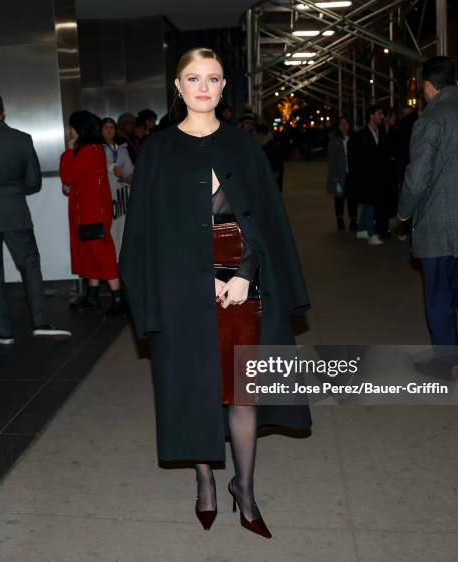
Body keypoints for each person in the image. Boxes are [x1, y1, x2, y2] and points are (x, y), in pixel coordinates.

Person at [120, 47, 311, 539]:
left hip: (245, 285)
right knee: (196, 391)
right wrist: (199, 279)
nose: (203, 87)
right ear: (178, 87)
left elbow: (266, 219)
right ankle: (206, 481)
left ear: (225, 87)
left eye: (213, 78)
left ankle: (243, 488)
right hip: (182, 289)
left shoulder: (244, 146)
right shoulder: (158, 150)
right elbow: (149, 234)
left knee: (241, 392)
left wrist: (246, 272)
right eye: (193, 78)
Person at [0, 91, 71, 344]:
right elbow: (33, 182)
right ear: (3, 111)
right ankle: (40, 321)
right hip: (16, 213)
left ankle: (4, 331)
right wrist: (11, 190)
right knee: (30, 266)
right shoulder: (22, 139)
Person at [398, 56, 458, 377]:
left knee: (438, 292)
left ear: (429, 86)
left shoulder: (432, 118)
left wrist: (404, 210)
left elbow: (418, 175)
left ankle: (447, 363)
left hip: (439, 225)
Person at [59, 111, 124, 318]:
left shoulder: (87, 150)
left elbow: (68, 176)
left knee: (101, 255)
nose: (70, 130)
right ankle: (92, 295)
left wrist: (69, 152)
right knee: (91, 253)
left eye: (72, 126)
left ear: (79, 128)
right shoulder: (94, 149)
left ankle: (118, 300)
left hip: (91, 213)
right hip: (91, 211)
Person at [346, 105, 387, 246]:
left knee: (371, 203)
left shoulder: (381, 133)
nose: (382, 116)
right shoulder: (360, 136)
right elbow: (354, 158)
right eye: (379, 114)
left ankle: (362, 229)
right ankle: (371, 233)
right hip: (365, 177)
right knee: (370, 204)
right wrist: (358, 174)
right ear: (371, 116)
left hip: (377, 176)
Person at [326, 116, 356, 231]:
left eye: (346, 124)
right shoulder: (334, 140)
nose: (344, 126)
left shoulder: (353, 138)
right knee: (339, 197)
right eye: (341, 124)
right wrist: (334, 176)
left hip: (351, 173)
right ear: (338, 126)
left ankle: (353, 220)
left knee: (352, 197)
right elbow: (331, 160)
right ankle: (340, 219)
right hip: (339, 174)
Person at [255, 123, 285, 192]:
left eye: (263, 134)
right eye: (259, 134)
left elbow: (277, 166)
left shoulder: (273, 147)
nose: (261, 136)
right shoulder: (257, 146)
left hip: (270, 181)